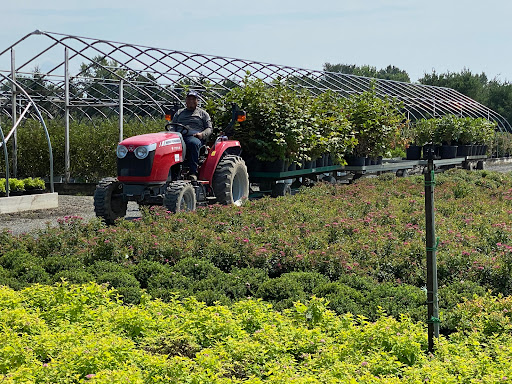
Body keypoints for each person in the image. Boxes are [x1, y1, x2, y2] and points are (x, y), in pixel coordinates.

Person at [171, 90, 213, 180]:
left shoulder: (203, 114)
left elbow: (209, 128)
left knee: (193, 144)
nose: (191, 101)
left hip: (194, 137)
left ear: (197, 101)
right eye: (189, 99)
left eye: (193, 99)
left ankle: (193, 172)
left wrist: (202, 134)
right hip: (179, 136)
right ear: (186, 101)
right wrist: (172, 134)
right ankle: (172, 173)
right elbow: (172, 126)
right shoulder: (179, 113)